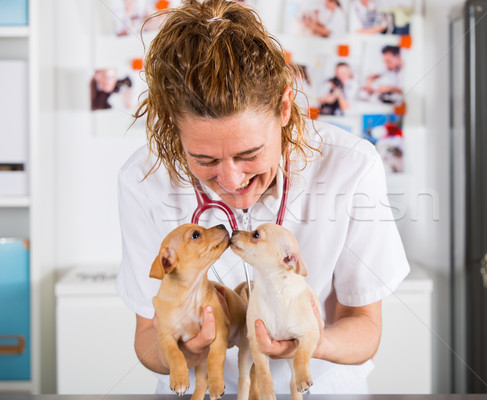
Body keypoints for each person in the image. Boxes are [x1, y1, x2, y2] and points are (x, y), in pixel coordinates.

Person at [116, 0, 409, 395]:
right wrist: (189, 352)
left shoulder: (350, 166)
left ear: (285, 107)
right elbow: (148, 334)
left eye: (249, 155)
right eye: (204, 159)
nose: (231, 179)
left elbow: (364, 323)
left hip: (321, 389)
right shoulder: (142, 179)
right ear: (174, 128)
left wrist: (312, 342)